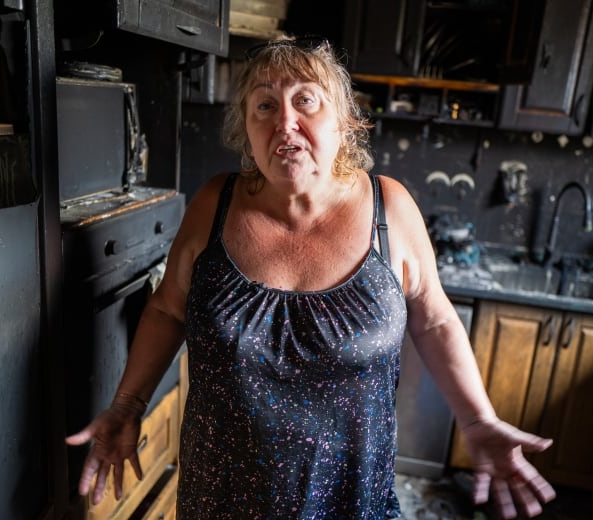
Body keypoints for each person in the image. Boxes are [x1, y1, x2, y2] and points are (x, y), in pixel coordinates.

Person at [66, 36, 557, 519]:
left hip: (348, 502)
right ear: (246, 132)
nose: (285, 121)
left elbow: (434, 320)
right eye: (263, 106)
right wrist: (128, 404)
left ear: (344, 122)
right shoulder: (214, 203)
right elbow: (168, 308)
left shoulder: (390, 209)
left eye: (305, 100)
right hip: (221, 501)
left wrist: (477, 419)